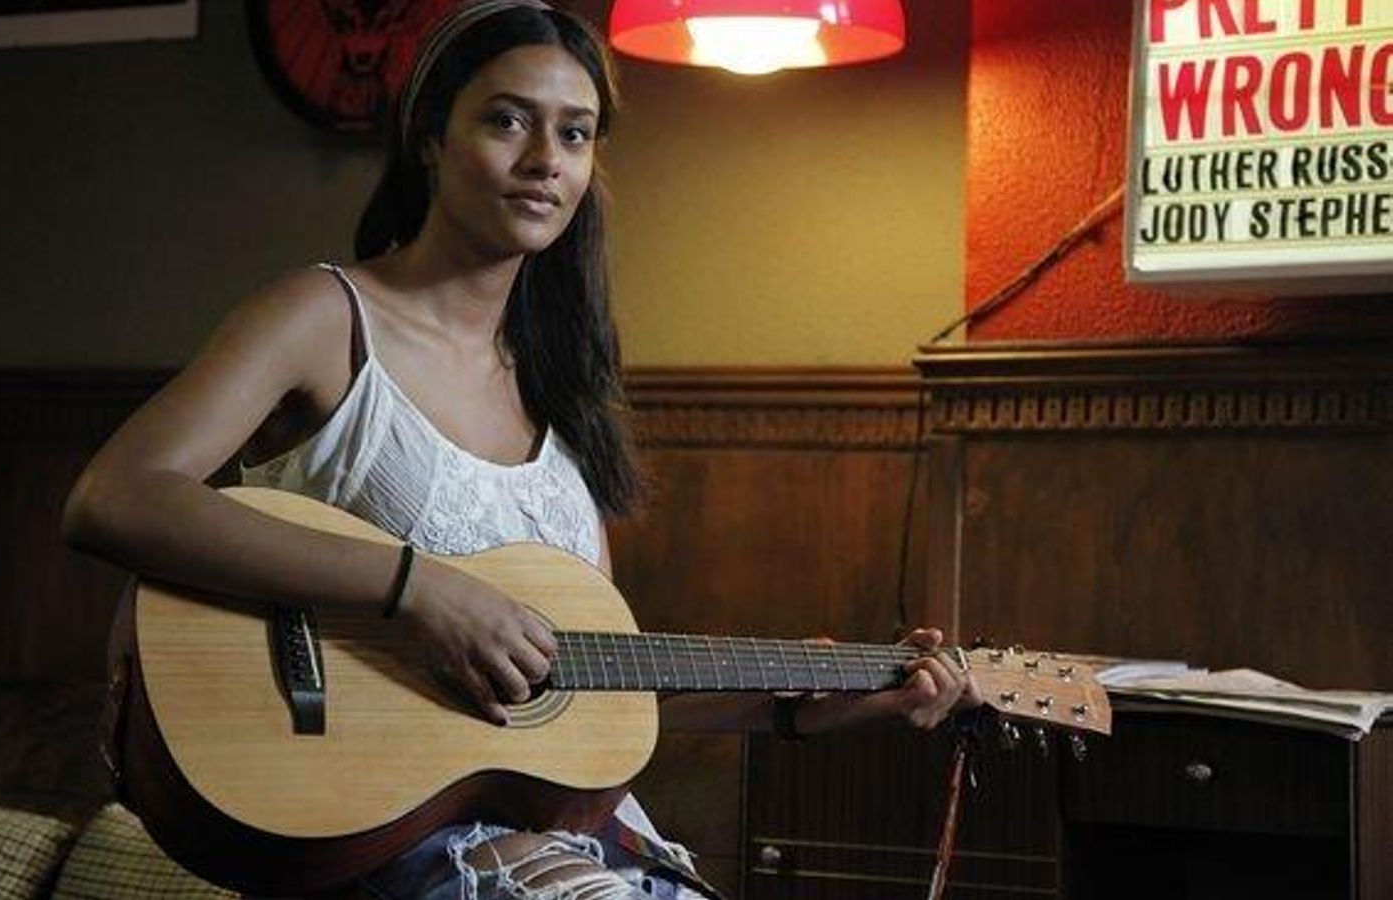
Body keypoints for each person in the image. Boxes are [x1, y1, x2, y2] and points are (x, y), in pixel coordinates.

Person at [61, 2, 979, 898]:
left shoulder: (561, 382)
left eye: (576, 134)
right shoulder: (325, 317)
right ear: (431, 136)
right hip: (378, 830)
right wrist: (418, 587)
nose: (546, 161)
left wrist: (809, 711)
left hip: (564, 839)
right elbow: (116, 495)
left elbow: (581, 690)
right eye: (508, 121)